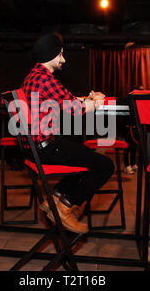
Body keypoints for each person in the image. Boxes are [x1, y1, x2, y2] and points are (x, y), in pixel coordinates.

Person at [20, 33, 115, 234]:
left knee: (82, 160)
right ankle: (65, 207)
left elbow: (66, 99)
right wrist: (96, 103)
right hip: (46, 148)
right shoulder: (45, 79)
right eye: (61, 54)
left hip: (35, 148)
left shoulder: (33, 77)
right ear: (51, 55)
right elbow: (76, 110)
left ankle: (55, 198)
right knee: (105, 165)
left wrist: (88, 98)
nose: (63, 59)